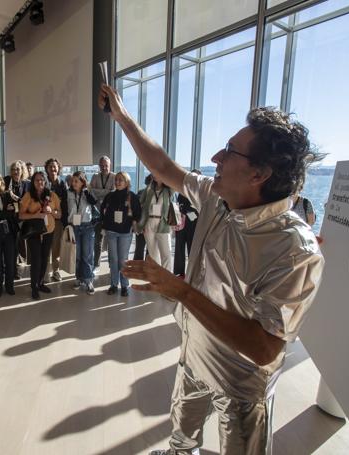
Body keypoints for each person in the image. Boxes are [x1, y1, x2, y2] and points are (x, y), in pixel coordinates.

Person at [101, 84, 325, 455]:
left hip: (241, 384)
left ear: (259, 175)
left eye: (231, 152)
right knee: (181, 436)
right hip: (194, 353)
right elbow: (161, 166)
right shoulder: (216, 198)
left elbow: (264, 347)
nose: (216, 156)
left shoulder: (293, 249)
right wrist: (122, 117)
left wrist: (181, 291)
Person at [19, 171, 61, 300]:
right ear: (33, 182)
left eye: (42, 179)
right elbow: (20, 215)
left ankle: (41, 282)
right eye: (37, 180)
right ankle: (34, 287)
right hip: (34, 232)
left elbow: (59, 214)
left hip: (49, 230)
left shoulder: (52, 195)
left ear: (45, 181)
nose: (40, 182)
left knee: (44, 258)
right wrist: (35, 215)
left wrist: (52, 211)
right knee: (36, 259)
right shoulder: (28, 196)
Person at [101, 171, 141, 296]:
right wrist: (105, 224)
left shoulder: (132, 197)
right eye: (116, 179)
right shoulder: (110, 196)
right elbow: (103, 210)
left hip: (125, 232)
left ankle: (124, 286)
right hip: (112, 232)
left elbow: (138, 213)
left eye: (120, 180)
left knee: (123, 261)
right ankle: (113, 284)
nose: (117, 182)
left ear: (127, 182)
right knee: (113, 260)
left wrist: (133, 222)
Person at [63, 171, 98, 295]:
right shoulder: (68, 193)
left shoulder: (87, 192)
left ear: (83, 182)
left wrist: (86, 192)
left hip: (87, 226)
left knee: (87, 255)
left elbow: (94, 202)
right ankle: (79, 278)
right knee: (76, 255)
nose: (73, 183)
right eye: (72, 181)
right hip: (74, 227)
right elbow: (64, 209)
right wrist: (66, 225)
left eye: (76, 181)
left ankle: (88, 280)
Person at [138, 175, 174, 270]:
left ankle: (166, 278)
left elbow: (175, 184)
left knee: (166, 253)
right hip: (149, 221)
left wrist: (164, 176)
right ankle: (157, 277)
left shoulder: (168, 190)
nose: (154, 175)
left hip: (163, 222)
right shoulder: (149, 189)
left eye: (156, 173)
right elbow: (140, 201)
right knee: (153, 253)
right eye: (152, 173)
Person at [4, 160, 31, 279]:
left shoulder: (26, 184)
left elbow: (28, 201)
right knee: (11, 246)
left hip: (22, 220)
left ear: (22, 171)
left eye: (18, 169)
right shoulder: (6, 181)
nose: (15, 171)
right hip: (9, 219)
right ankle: (12, 270)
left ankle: (17, 268)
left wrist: (17, 199)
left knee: (20, 246)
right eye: (13, 169)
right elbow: (1, 196)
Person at [89, 156, 115, 270]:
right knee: (97, 241)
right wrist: (107, 192)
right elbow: (90, 190)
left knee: (111, 241)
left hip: (110, 214)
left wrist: (99, 192)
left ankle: (111, 265)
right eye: (102, 165)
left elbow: (114, 193)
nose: (104, 167)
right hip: (97, 213)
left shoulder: (115, 177)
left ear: (110, 165)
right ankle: (96, 265)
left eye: (106, 165)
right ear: (99, 165)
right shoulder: (95, 176)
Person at [44, 158, 68, 282]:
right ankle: (45, 272)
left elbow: (65, 203)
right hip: (46, 221)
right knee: (46, 245)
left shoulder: (63, 184)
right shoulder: (44, 183)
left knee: (56, 246)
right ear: (46, 169)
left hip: (58, 220)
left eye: (54, 167)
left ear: (58, 168)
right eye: (50, 167)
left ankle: (56, 271)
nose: (52, 169)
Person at [173, 169, 201, 277]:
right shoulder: (183, 190)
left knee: (192, 250)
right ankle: (180, 272)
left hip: (194, 225)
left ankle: (191, 273)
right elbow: (179, 205)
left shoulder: (201, 193)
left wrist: (187, 211)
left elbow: (199, 209)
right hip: (181, 223)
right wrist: (187, 211)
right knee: (179, 248)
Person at [133, 174, 153, 260]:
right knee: (144, 249)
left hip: (147, 224)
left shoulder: (141, 192)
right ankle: (143, 268)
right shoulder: (141, 193)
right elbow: (137, 210)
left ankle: (140, 268)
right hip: (144, 224)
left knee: (141, 249)